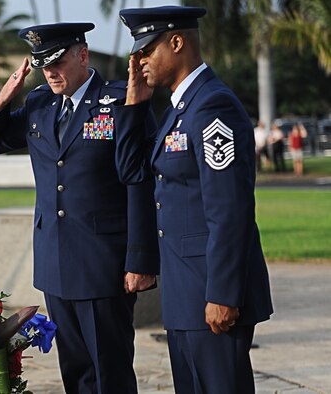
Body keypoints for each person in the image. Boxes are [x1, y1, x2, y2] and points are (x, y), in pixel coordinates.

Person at [0, 22, 159, 394]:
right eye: (42, 65)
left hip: (104, 263)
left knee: (110, 370)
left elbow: (139, 184)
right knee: (75, 370)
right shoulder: (40, 103)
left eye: (57, 62)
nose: (50, 72)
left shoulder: (121, 101)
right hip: (57, 261)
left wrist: (140, 260)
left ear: (83, 56)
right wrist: (2, 100)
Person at [114, 6, 274, 393]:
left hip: (212, 294)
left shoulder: (212, 106)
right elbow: (132, 170)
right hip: (185, 293)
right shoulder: (178, 109)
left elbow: (229, 211)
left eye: (146, 50)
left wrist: (222, 294)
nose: (139, 62)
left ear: (177, 42)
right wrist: (135, 105)